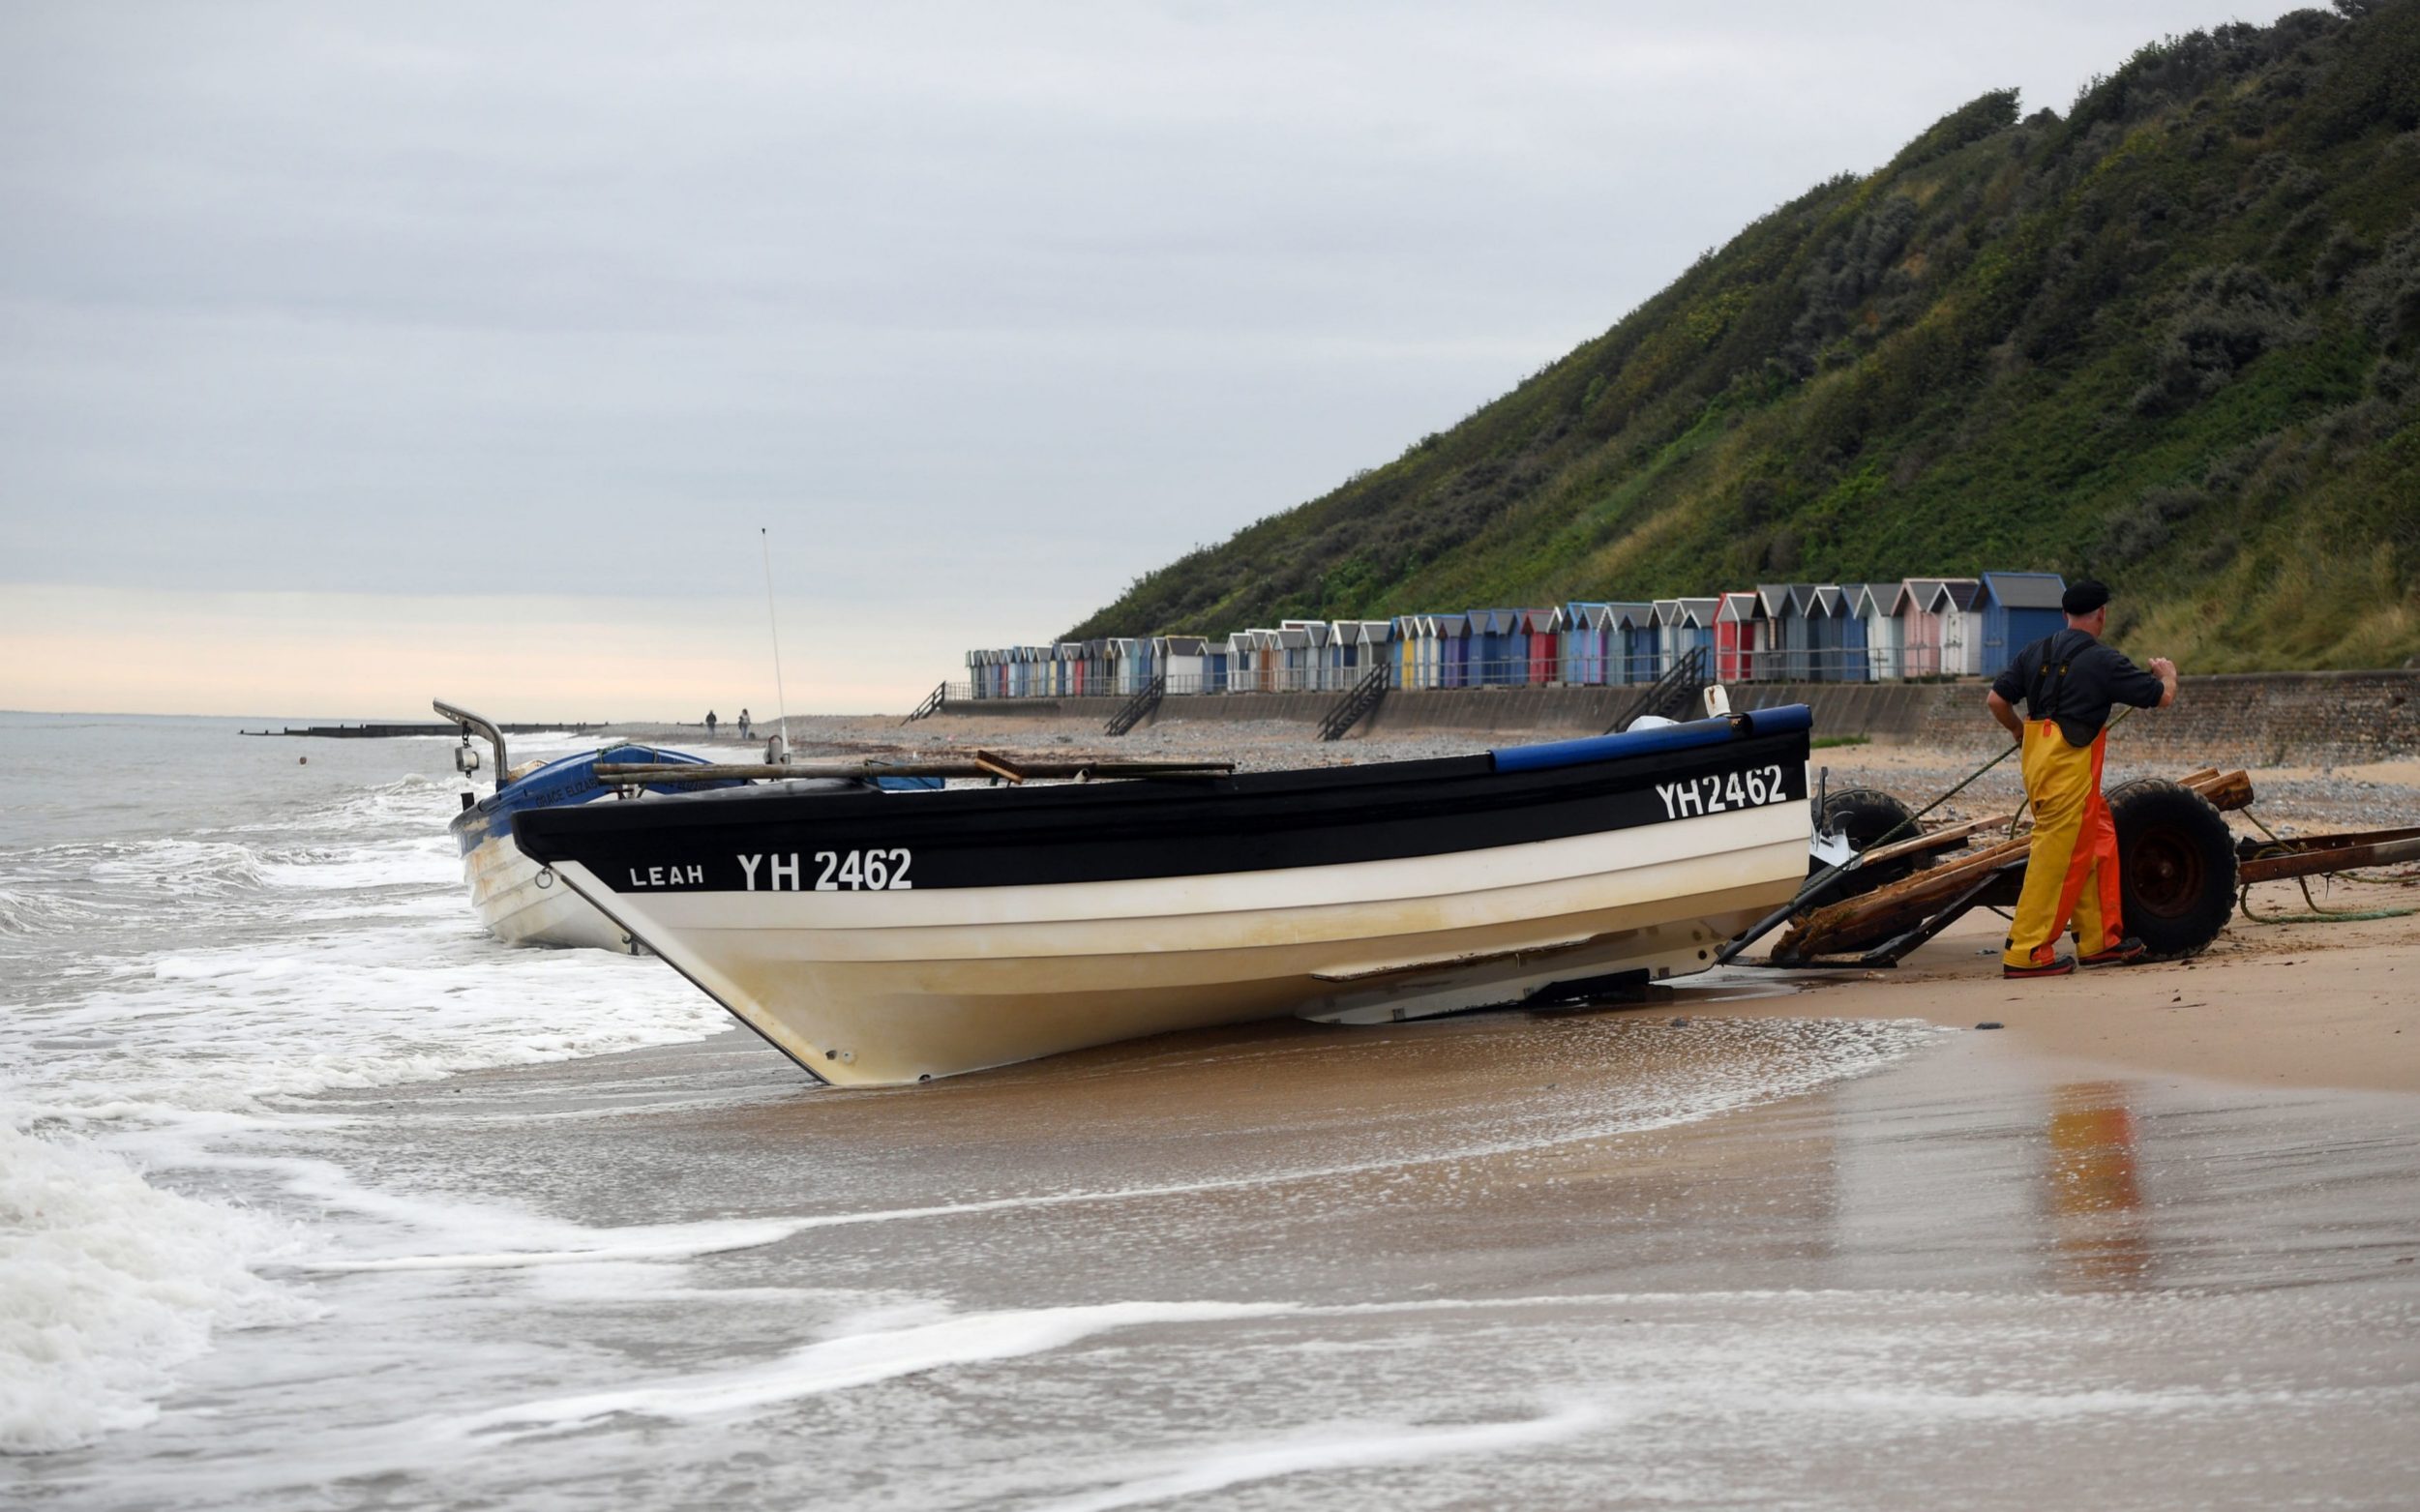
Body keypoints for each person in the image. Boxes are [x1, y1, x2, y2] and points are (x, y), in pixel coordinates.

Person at [1985, 579, 2177, 979]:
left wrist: (2020, 732)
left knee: (2099, 836)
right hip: (2068, 771)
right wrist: (2168, 674)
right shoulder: (2103, 660)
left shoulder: (2034, 651)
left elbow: (1996, 700)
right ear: (2102, 615)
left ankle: (2099, 940)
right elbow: (2161, 696)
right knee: (2057, 858)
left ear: (2065, 615)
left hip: (2040, 765)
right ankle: (2027, 950)